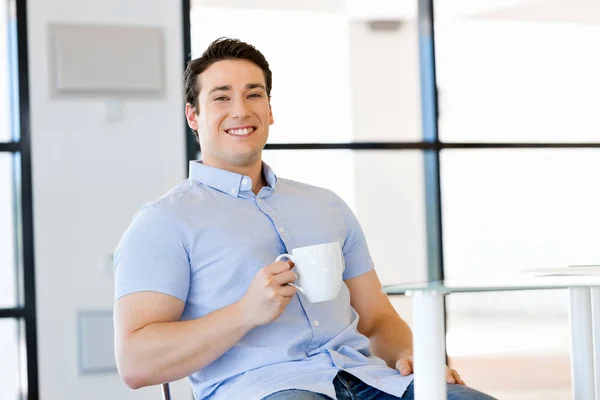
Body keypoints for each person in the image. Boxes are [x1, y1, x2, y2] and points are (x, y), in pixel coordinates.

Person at [113, 37, 496, 400]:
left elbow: (378, 320)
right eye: (222, 97)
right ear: (193, 116)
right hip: (264, 389)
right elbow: (135, 363)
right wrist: (244, 314)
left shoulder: (324, 204)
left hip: (370, 380)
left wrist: (413, 355)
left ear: (270, 109)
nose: (241, 110)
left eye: (253, 94)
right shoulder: (164, 222)